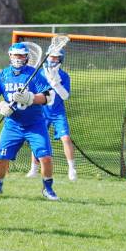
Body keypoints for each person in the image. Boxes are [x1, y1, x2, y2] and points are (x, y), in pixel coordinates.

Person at [0, 42, 60, 201]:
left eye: (21, 55)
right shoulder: (3, 75)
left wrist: (30, 98)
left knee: (45, 157)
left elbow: (48, 97)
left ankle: (48, 189)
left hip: (35, 124)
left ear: (26, 57)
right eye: (15, 55)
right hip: (12, 125)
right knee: (1, 159)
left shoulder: (34, 74)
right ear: (10, 56)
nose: (18, 58)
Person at [26, 48, 76, 181]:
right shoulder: (39, 74)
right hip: (41, 111)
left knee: (65, 138)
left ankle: (72, 169)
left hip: (57, 112)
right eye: (51, 57)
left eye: (56, 58)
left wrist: (55, 83)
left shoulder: (64, 76)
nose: (53, 60)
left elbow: (65, 96)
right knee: (38, 140)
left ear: (60, 60)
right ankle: (34, 169)